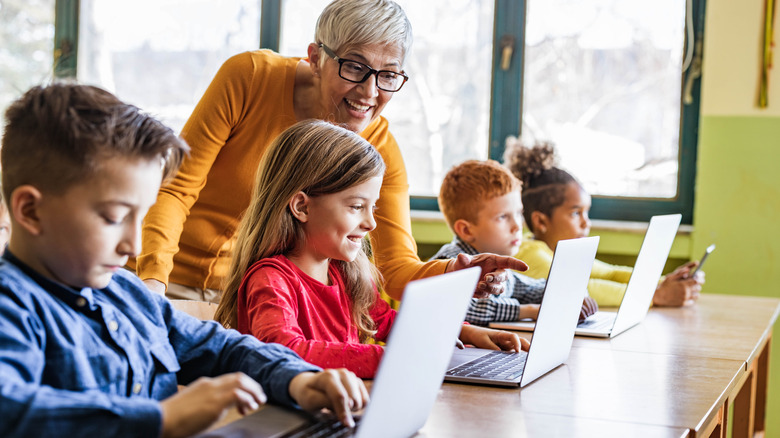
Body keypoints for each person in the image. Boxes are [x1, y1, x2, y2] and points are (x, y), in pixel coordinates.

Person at [0, 83, 369, 438]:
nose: (134, 244)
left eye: (141, 217)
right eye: (113, 218)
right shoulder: (11, 307)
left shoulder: (125, 292)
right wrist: (161, 419)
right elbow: (12, 409)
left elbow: (221, 347)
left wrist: (298, 380)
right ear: (31, 211)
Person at [132, 0, 526, 303]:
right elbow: (175, 188)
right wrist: (152, 282)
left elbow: (396, 267)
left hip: (258, 301)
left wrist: (455, 274)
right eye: (354, 67)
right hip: (171, 283)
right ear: (316, 57)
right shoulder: (250, 78)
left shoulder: (380, 149)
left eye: (388, 74)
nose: (370, 93)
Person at [214, 120, 529, 379]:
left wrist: (465, 333)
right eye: (355, 206)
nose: (370, 223)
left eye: (373, 207)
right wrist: (388, 359)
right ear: (301, 206)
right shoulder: (271, 280)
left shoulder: (342, 273)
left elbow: (390, 322)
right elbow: (285, 350)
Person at [504, 139, 703, 307]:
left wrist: (665, 282)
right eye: (575, 213)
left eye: (586, 213)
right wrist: (657, 295)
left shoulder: (560, 251)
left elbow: (611, 273)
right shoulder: (530, 255)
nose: (586, 223)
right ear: (541, 221)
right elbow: (582, 290)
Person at [432, 159, 598, 325]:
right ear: (467, 230)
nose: (517, 226)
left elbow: (530, 290)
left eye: (519, 213)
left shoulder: (500, 267)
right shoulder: (449, 262)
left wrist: (573, 294)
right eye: (503, 217)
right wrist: (530, 311)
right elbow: (466, 308)